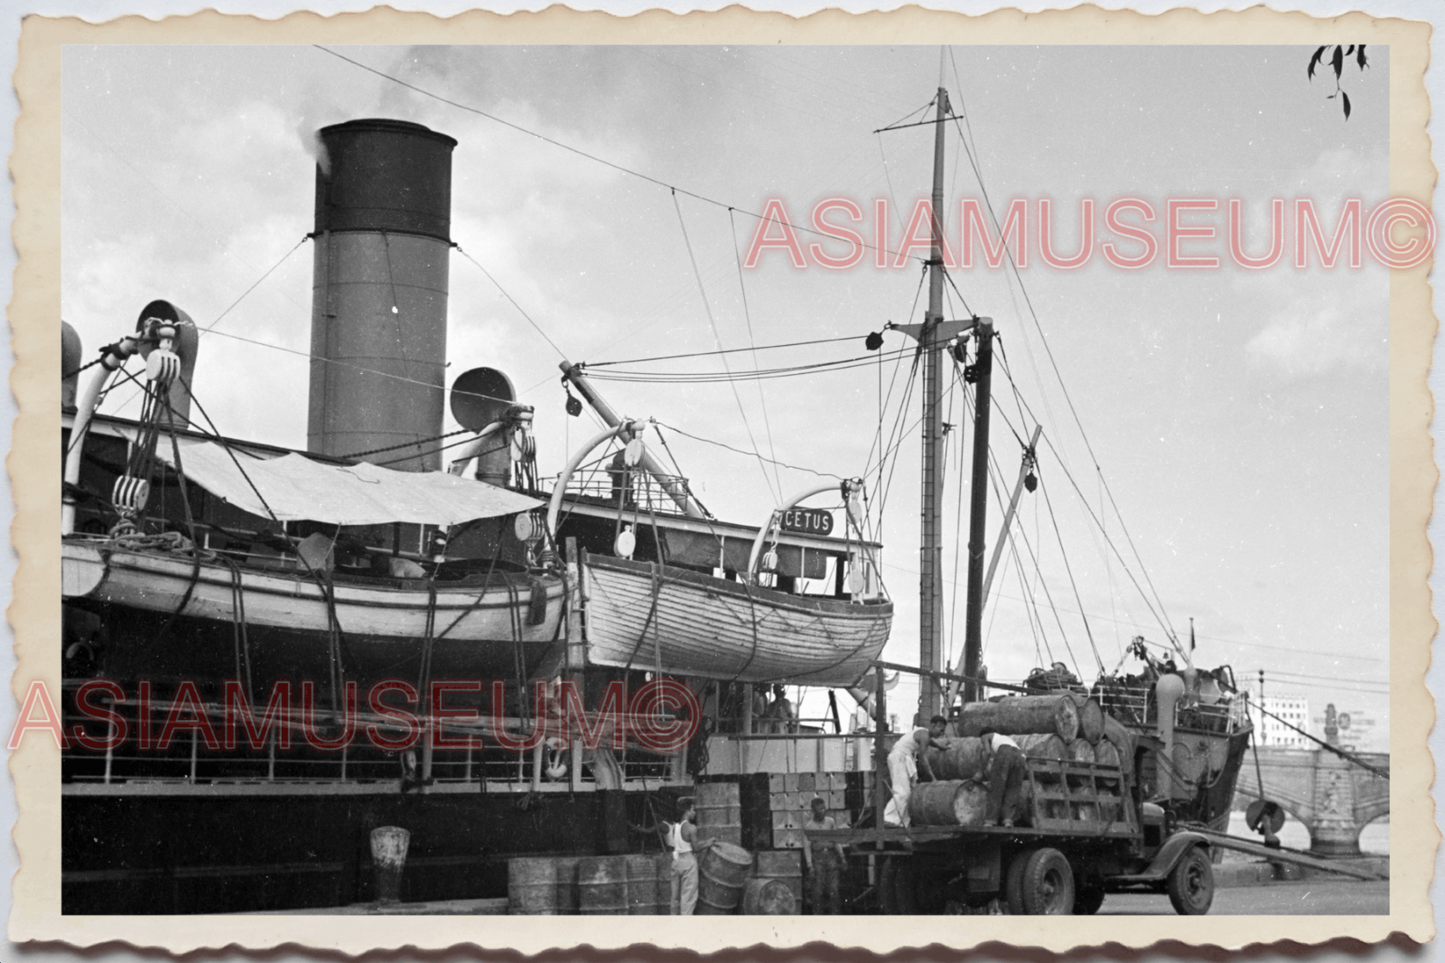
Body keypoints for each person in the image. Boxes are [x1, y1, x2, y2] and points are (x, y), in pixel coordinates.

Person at [882, 714, 948, 827]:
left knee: (910, 792)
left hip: (904, 758)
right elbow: (923, 758)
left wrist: (940, 747)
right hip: (899, 757)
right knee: (902, 792)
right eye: (940, 730)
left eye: (943, 732)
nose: (941, 734)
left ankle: (903, 822)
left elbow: (930, 741)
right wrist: (933, 778)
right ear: (932, 725)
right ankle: (888, 819)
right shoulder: (924, 735)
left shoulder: (924, 733)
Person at [669, 797, 714, 914]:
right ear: (687, 810)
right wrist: (708, 843)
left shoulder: (675, 827)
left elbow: (685, 844)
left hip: (676, 861)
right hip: (688, 862)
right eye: (693, 810)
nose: (695, 813)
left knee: (675, 898)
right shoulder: (691, 828)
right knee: (688, 898)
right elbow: (696, 848)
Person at [974, 729, 1028, 827]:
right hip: (1020, 758)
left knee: (997, 788)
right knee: (1013, 790)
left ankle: (990, 820)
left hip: (1004, 755)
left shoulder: (985, 736)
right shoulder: (1006, 739)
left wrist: (980, 772)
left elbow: (987, 752)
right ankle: (1008, 820)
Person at [803, 796, 845, 914]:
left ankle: (835, 916)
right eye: (819, 809)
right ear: (813, 811)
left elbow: (836, 841)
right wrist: (810, 866)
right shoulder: (809, 827)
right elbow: (807, 847)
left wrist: (842, 857)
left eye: (823, 808)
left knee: (834, 890)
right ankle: (818, 917)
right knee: (818, 892)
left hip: (831, 857)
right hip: (818, 859)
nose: (822, 811)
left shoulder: (830, 822)